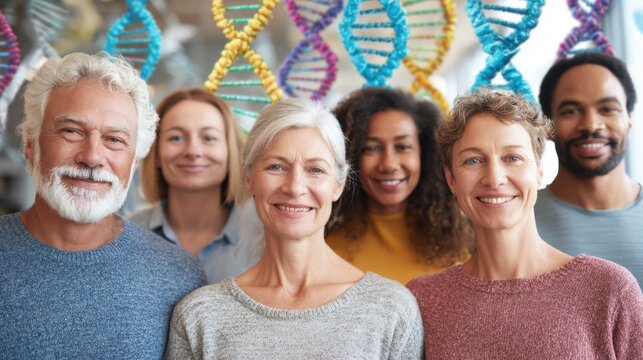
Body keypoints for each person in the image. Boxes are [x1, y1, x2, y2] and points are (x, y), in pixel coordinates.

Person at [165, 98, 424, 359]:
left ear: (338, 185)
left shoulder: (391, 309)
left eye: (315, 169)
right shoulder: (200, 316)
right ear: (249, 178)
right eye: (276, 167)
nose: (295, 187)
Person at [408, 89, 642, 359]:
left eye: (512, 158)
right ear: (451, 179)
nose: (494, 178)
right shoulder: (423, 300)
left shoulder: (610, 290)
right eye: (473, 160)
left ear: (541, 170)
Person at [0, 53, 205, 358]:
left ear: (134, 163)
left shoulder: (180, 278)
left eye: (114, 140)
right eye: (71, 131)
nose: (92, 157)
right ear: (31, 145)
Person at [326, 87, 472, 284]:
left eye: (403, 147)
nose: (389, 164)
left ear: (425, 154)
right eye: (372, 148)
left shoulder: (460, 244)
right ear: (351, 157)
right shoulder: (327, 251)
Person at [129, 88, 262, 283]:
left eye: (208, 138)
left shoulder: (266, 236)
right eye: (176, 137)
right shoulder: (125, 236)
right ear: (155, 152)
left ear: (231, 151)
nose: (193, 151)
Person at [535, 52, 642, 285]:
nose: (591, 125)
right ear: (548, 127)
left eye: (608, 109)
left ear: (629, 123)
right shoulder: (513, 220)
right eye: (571, 111)